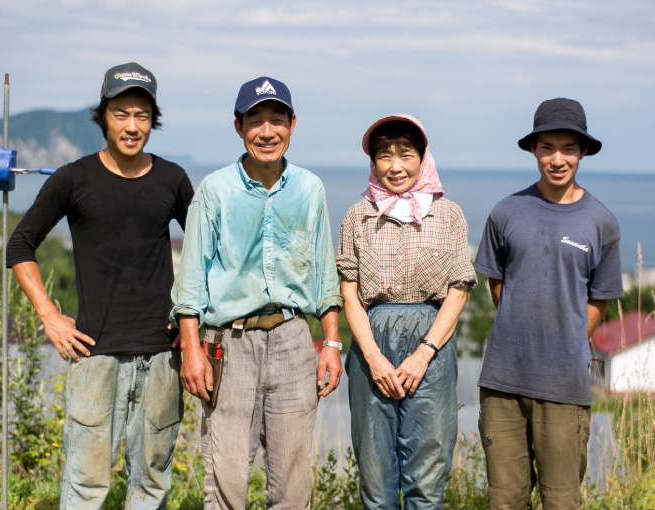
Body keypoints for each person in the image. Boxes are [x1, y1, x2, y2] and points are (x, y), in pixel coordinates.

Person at [7, 62, 194, 509]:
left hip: (162, 355)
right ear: (103, 117)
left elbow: (208, 254)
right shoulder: (73, 178)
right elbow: (20, 246)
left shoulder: (172, 179)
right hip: (94, 354)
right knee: (85, 485)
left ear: (153, 120)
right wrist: (49, 316)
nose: (132, 126)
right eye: (121, 114)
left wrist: (192, 325)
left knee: (152, 482)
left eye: (142, 115)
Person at [171, 76, 343, 509]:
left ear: (292, 124)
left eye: (277, 120)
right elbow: (190, 280)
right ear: (239, 127)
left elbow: (325, 273)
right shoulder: (215, 190)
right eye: (255, 121)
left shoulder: (309, 189)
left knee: (293, 485)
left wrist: (332, 343)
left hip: (293, 341)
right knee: (226, 480)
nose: (267, 132)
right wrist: (191, 349)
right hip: (228, 345)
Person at [473, 98, 623, 510]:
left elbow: (600, 299)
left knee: (561, 501)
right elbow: (497, 282)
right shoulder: (505, 212)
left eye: (568, 149)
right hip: (502, 381)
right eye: (547, 148)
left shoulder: (601, 221)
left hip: (563, 384)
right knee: (505, 500)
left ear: (583, 151)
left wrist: (567, 338)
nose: (557, 159)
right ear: (534, 150)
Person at [336, 114, 476, 509]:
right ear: (373, 162)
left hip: (432, 341)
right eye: (385, 156)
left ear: (423, 158)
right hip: (371, 341)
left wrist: (423, 354)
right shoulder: (358, 215)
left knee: (427, 472)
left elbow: (458, 291)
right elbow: (349, 293)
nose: (395, 166)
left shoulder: (448, 214)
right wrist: (373, 358)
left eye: (406, 155)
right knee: (375, 473)